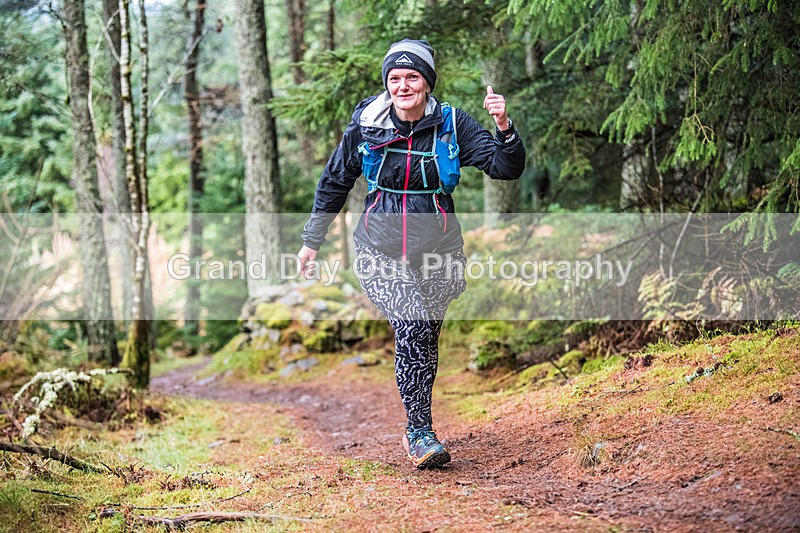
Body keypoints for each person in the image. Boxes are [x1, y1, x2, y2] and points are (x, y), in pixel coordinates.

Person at [298, 39, 525, 468]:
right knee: (413, 321)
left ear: (427, 82)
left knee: (423, 337)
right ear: (387, 84)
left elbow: (505, 167)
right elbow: (335, 181)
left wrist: (504, 126)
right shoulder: (367, 125)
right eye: (395, 78)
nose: (403, 86)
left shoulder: (452, 124)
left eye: (412, 77)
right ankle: (419, 432)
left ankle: (420, 426)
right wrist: (313, 239)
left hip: (439, 251)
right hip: (378, 250)